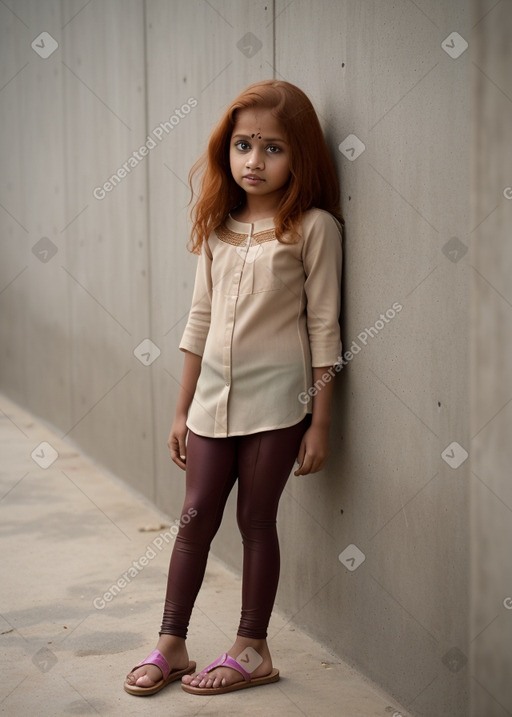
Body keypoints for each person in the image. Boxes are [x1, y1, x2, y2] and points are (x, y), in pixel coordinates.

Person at [124, 78, 343, 697]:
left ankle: (253, 648)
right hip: (209, 405)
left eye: (273, 148)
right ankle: (172, 643)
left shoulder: (313, 228)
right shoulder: (219, 228)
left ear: (301, 154)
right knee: (194, 520)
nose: (254, 160)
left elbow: (326, 327)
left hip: (279, 406)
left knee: (255, 519)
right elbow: (198, 321)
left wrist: (320, 422)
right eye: (243, 145)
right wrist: (179, 410)